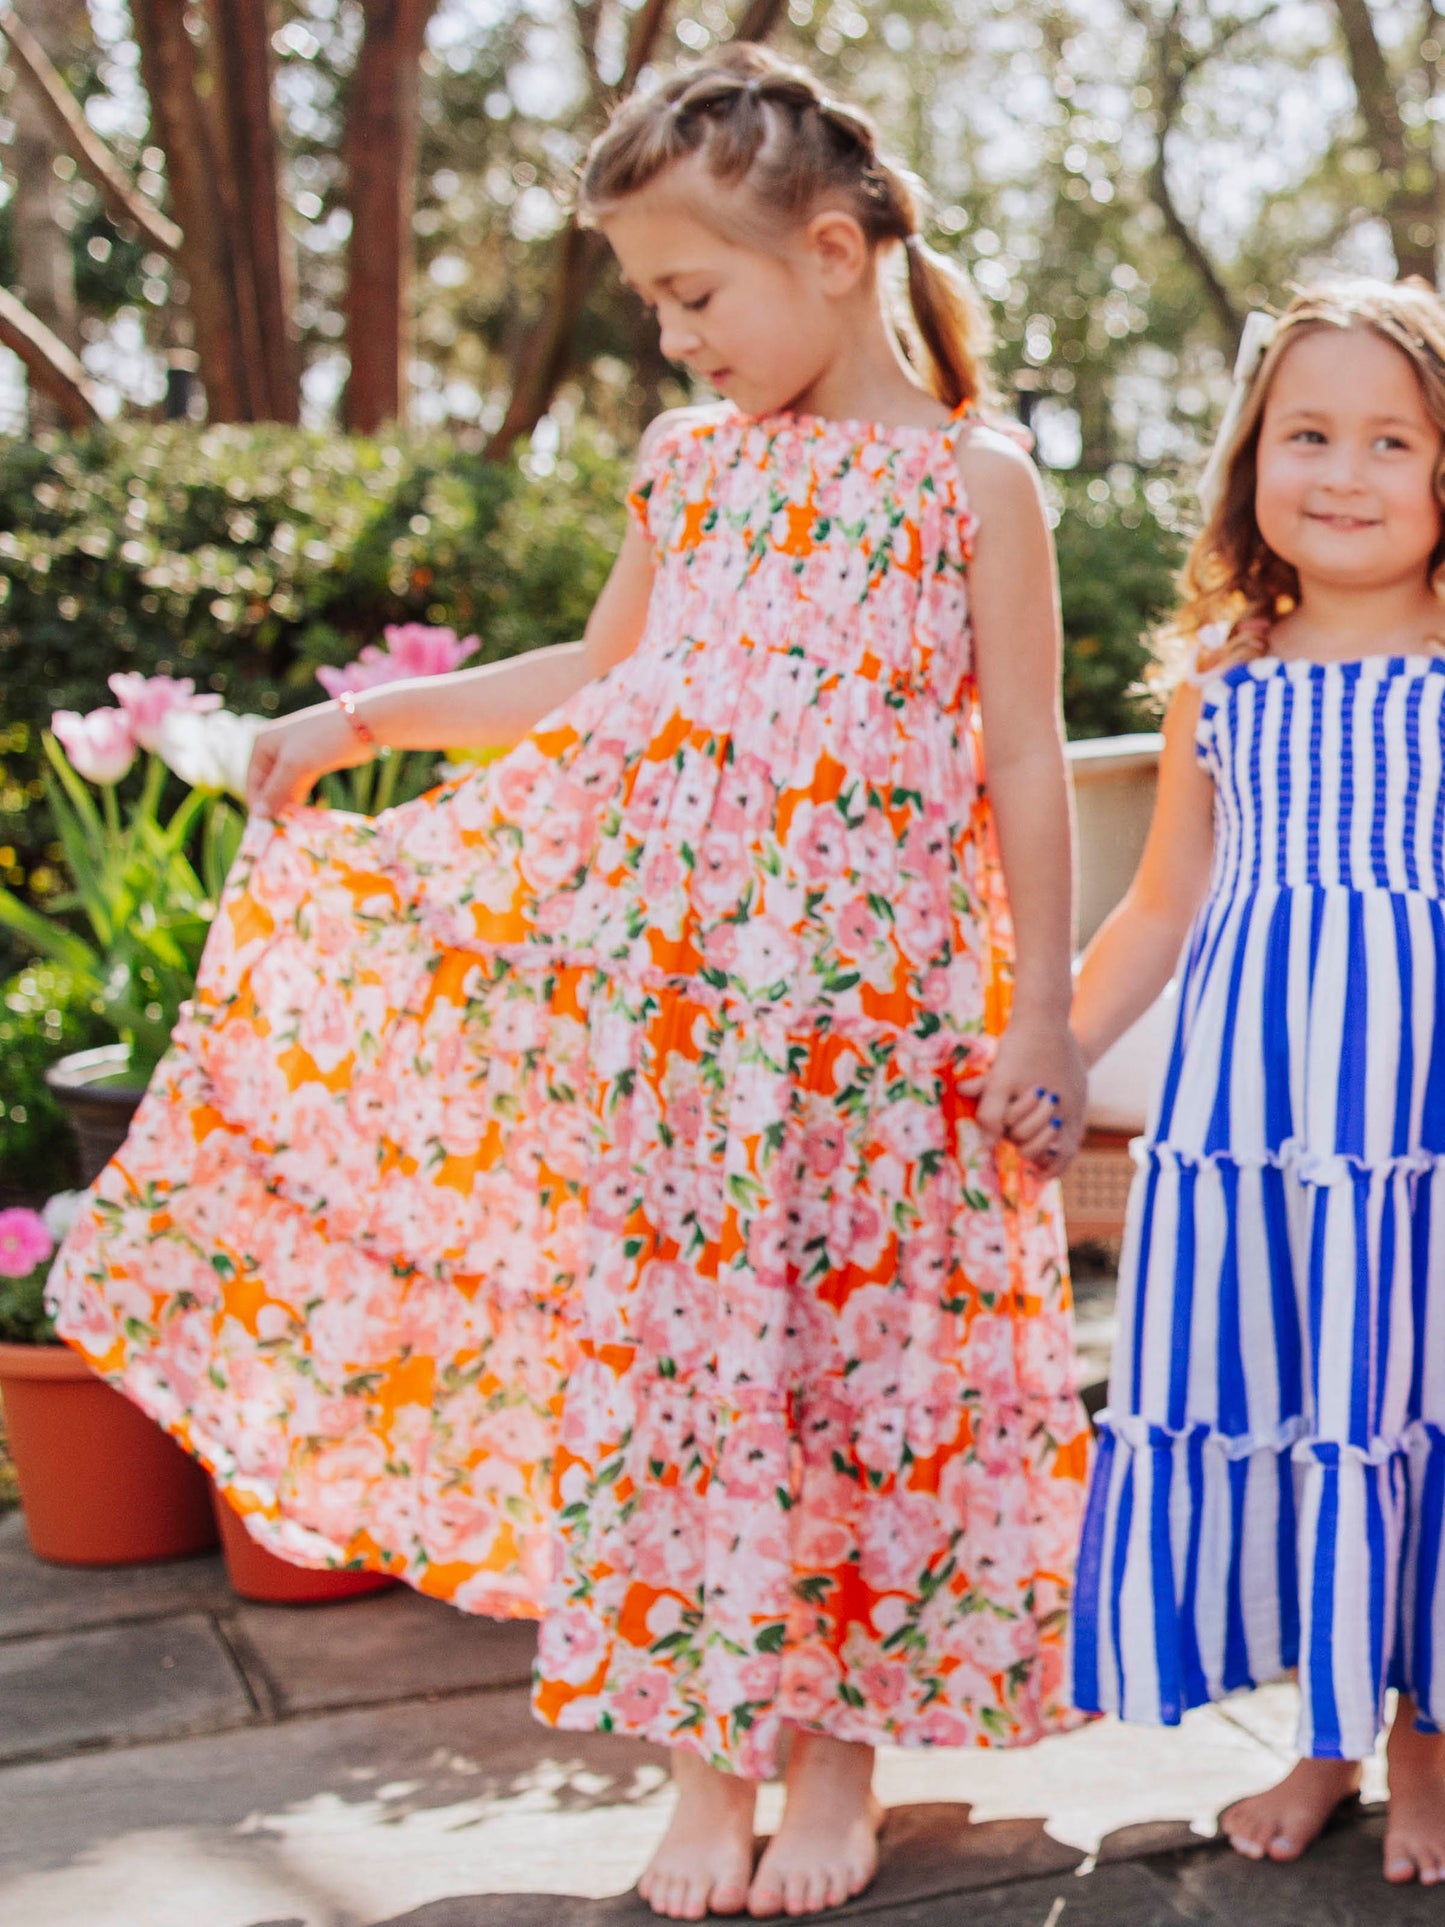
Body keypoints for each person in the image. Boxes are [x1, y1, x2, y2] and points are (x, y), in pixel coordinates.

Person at [49, 44, 1091, 1921]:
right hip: (682, 1041)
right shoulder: (684, 473)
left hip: (882, 1038)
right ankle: (712, 1765)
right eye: (652, 304)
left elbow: (1023, 752)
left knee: (856, 1381)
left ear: (837, 252)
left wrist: (1040, 1016)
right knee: (690, 1388)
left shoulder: (970, 480)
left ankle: (838, 1755)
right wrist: (360, 718)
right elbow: (599, 676)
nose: (674, 339)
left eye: (693, 295)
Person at [1069, 279, 1445, 1887]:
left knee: (1409, 1402)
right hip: (1257, 1124)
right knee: (1298, 1403)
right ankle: (1319, 1742)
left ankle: (1425, 1748)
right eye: (1306, 434)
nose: (1341, 473)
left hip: (1417, 1121)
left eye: (1388, 439)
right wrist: (1052, 1051)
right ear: (1248, 462)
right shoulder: (1223, 681)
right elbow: (1159, 905)